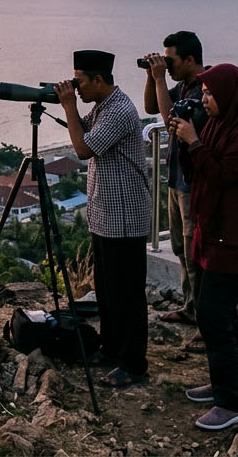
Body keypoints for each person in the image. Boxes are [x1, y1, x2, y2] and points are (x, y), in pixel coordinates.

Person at [169, 63, 238, 431]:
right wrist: (185, 143)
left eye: (210, 94)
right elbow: (197, 172)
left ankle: (231, 403)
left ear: (230, 95)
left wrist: (194, 141)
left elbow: (223, 174)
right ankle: (224, 386)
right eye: (205, 93)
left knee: (213, 312)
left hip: (236, 233)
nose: (205, 99)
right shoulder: (218, 124)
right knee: (219, 314)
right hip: (215, 230)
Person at [53, 50, 151, 388]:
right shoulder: (103, 107)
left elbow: (83, 149)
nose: (76, 88)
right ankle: (111, 349)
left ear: (98, 80)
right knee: (107, 291)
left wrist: (68, 106)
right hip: (106, 214)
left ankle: (135, 364)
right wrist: (71, 107)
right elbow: (84, 134)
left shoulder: (120, 110)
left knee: (127, 294)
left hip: (124, 217)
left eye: (79, 81)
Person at [141, 31, 207, 332]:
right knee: (181, 248)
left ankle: (205, 318)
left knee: (195, 253)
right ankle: (191, 307)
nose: (167, 66)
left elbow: (170, 122)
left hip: (193, 183)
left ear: (190, 60)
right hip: (176, 178)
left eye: (171, 60)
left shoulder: (204, 90)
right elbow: (152, 108)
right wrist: (151, 77)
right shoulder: (182, 86)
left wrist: (159, 79)